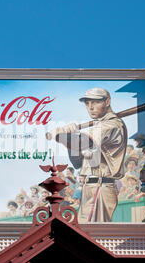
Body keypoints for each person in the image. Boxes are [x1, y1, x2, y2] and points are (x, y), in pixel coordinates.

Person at [54, 87, 127, 223]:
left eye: (96, 102)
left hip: (101, 187)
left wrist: (69, 135)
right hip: (90, 188)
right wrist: (67, 138)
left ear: (107, 101)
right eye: (87, 103)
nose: (90, 107)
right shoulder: (100, 124)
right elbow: (78, 162)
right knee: (85, 234)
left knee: (91, 235)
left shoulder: (111, 124)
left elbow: (86, 141)